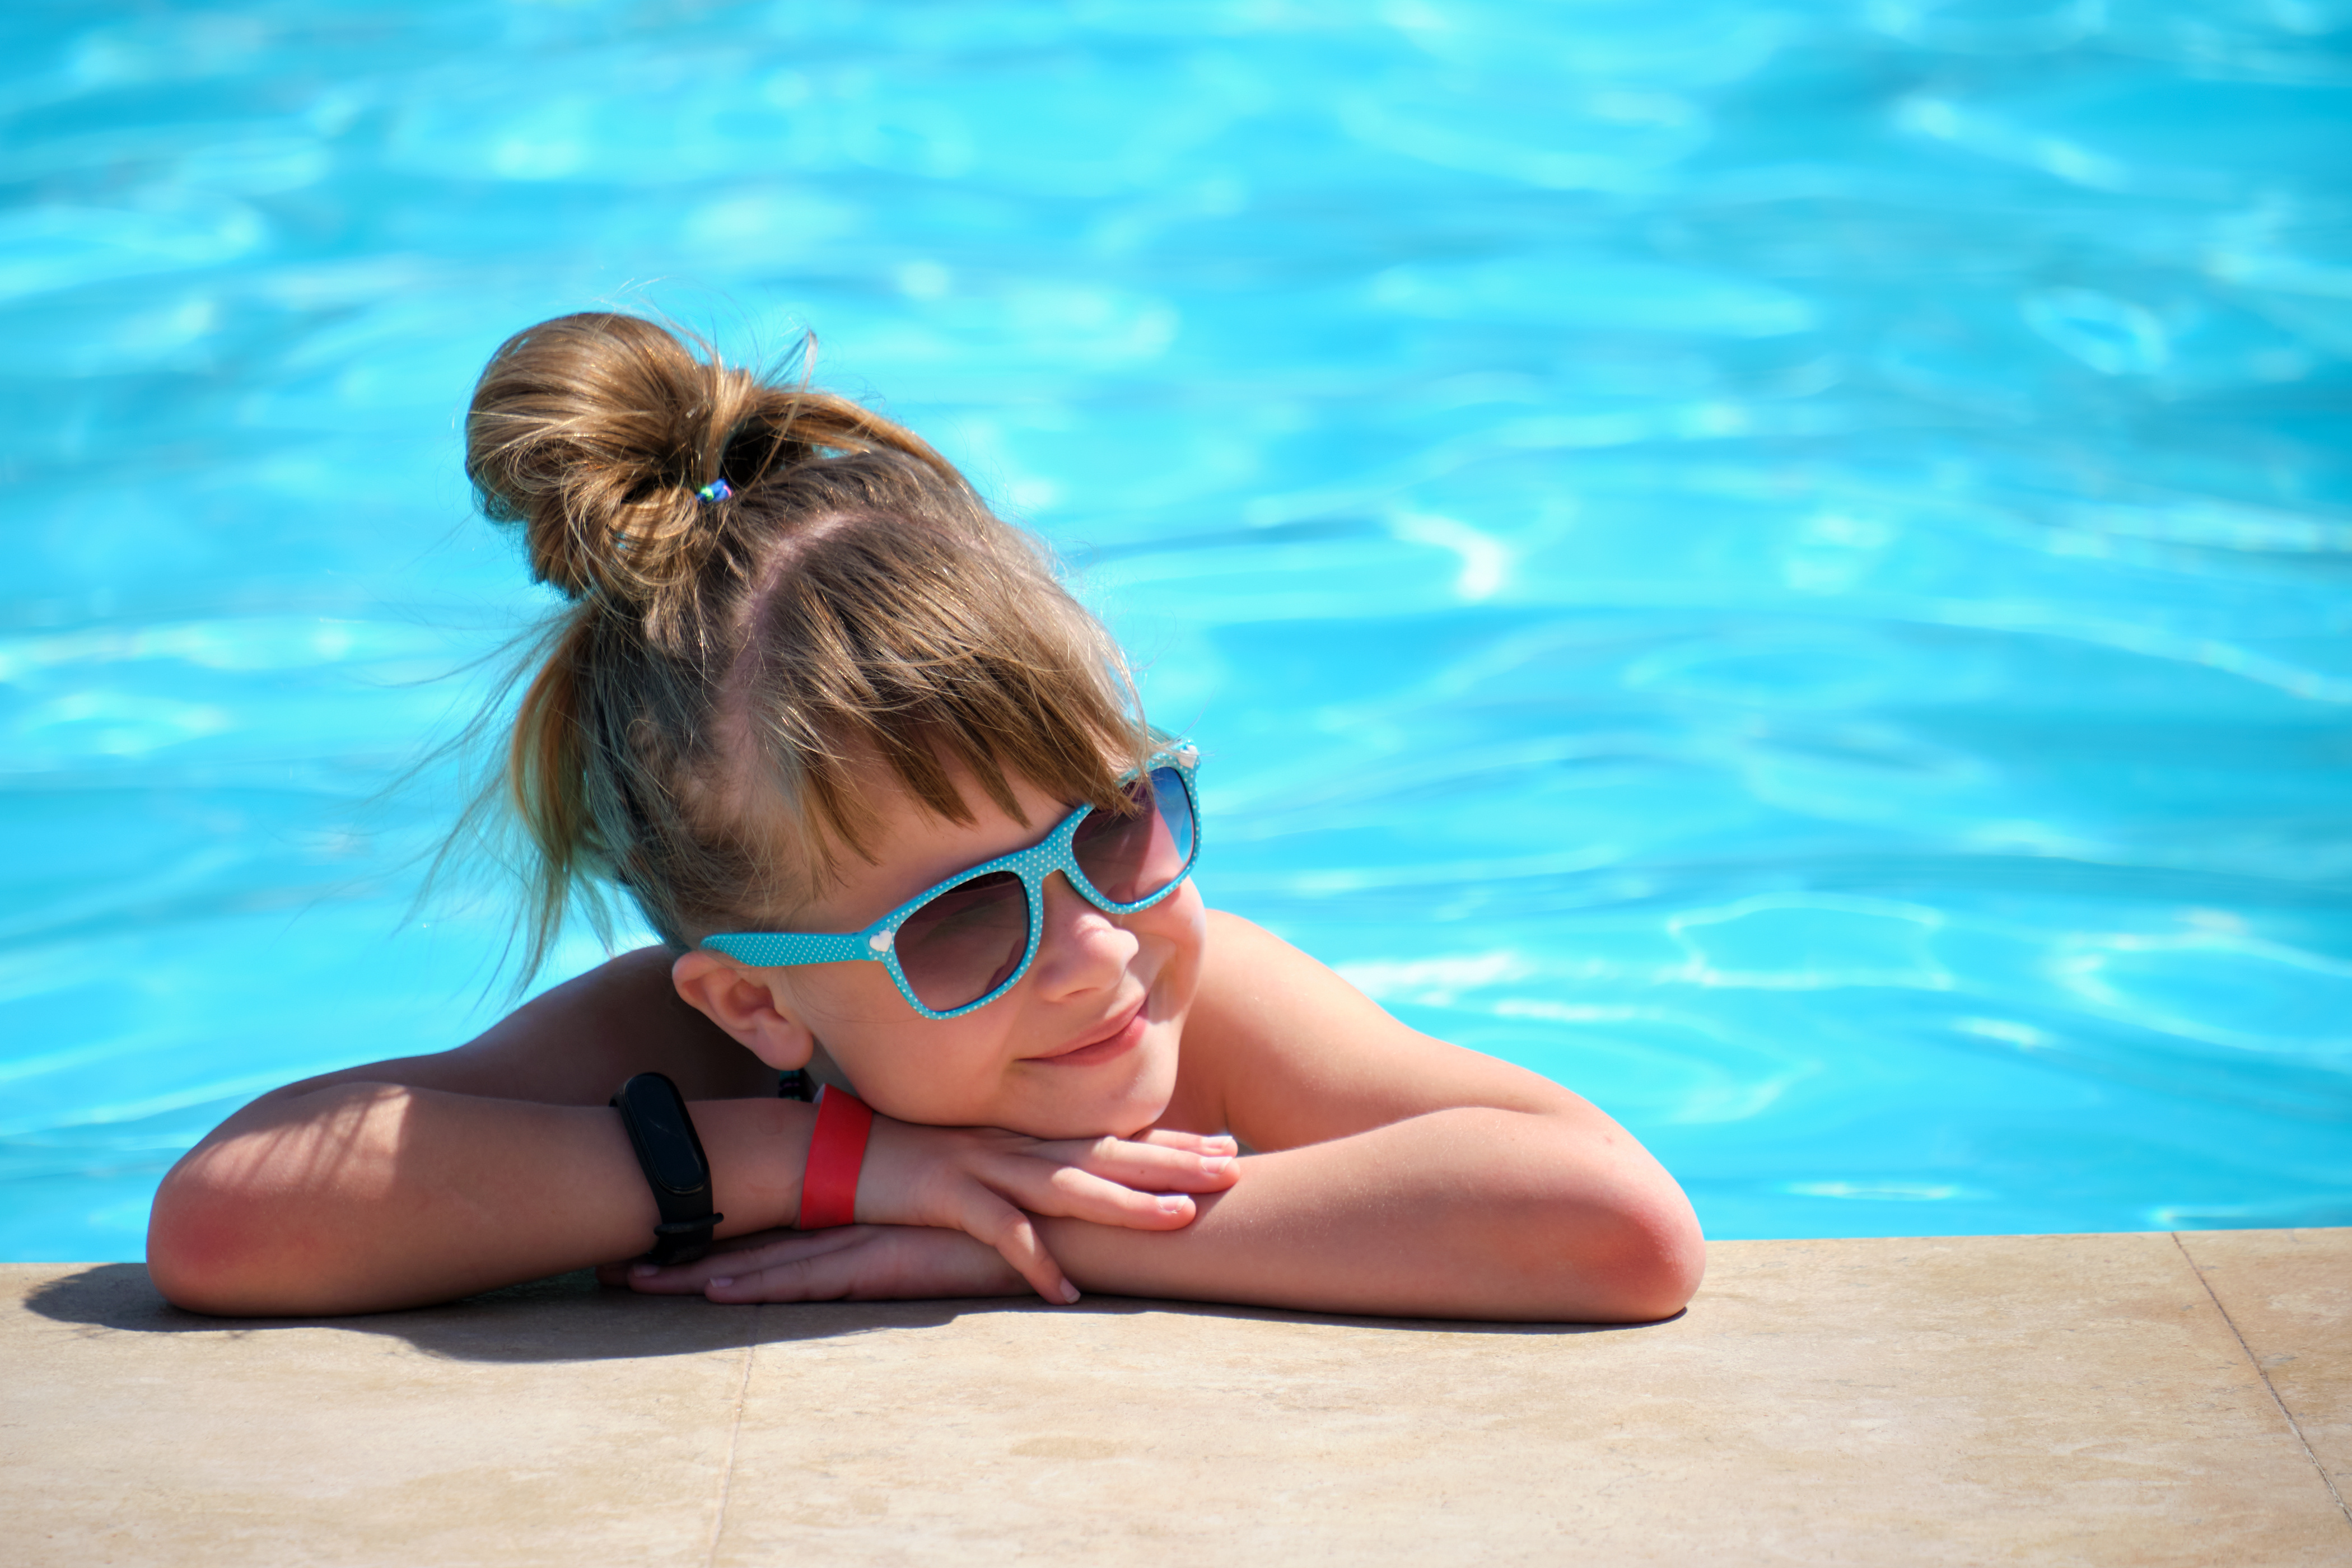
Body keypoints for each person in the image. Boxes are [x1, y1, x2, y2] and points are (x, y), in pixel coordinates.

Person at [146, 312, 1704, 1323]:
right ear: (757, 996)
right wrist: (813, 1170)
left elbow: (1617, 1224)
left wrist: (1045, 1234)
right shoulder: (679, 1054)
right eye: (965, 917)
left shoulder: (1209, 1007)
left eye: (1115, 824)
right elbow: (227, 1222)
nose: (1097, 953)